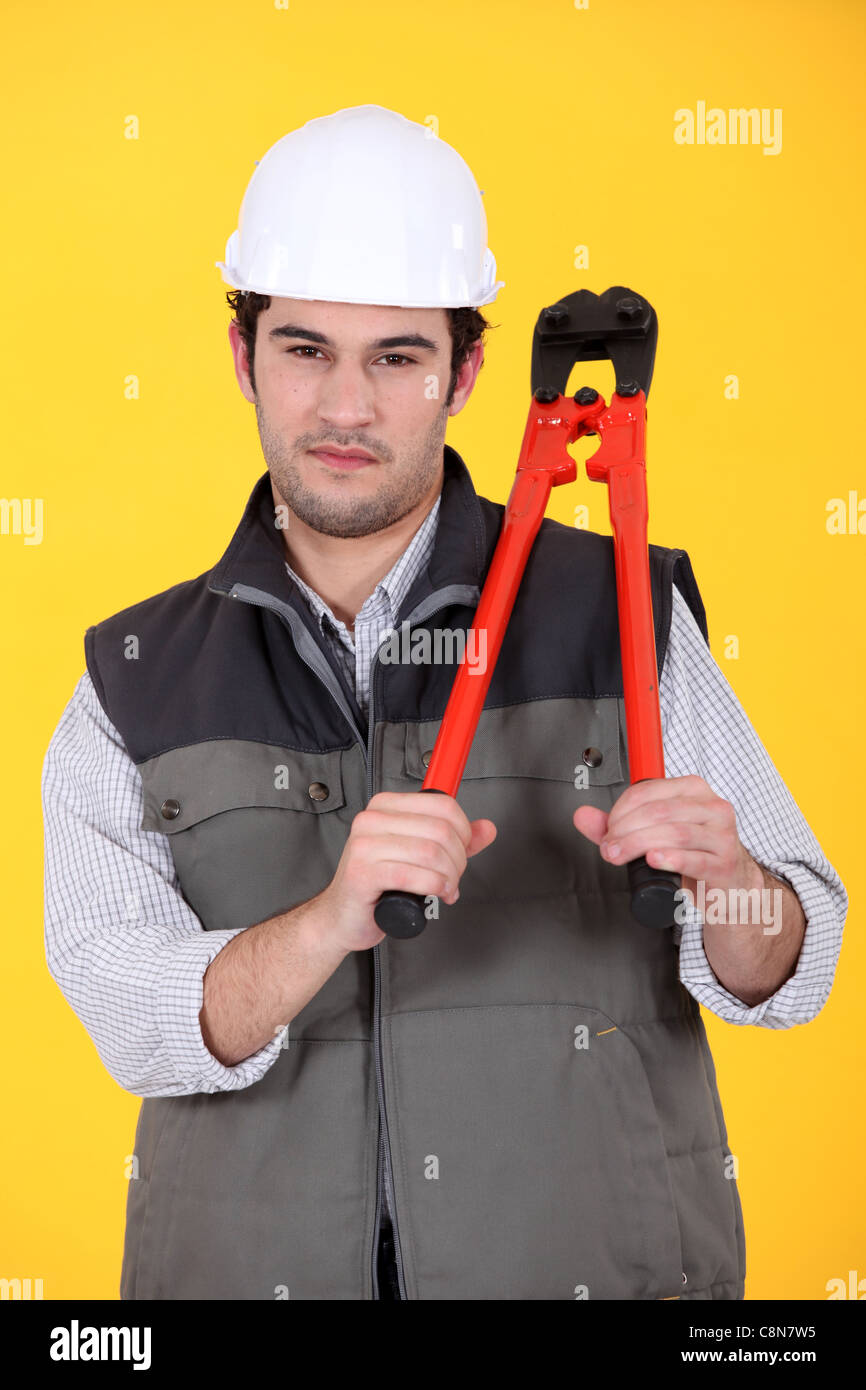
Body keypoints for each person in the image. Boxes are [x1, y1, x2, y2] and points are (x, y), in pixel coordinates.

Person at [42, 105, 846, 1301]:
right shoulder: (134, 676)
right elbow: (132, 1018)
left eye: (397, 356)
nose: (346, 408)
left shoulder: (620, 611)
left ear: (465, 370)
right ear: (241, 355)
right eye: (304, 349)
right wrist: (327, 919)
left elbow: (791, 965)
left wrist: (727, 877)